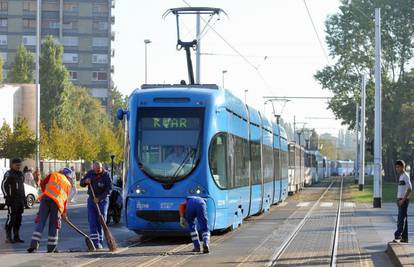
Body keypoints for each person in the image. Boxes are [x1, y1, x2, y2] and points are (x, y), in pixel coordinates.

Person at [27, 168, 72, 253]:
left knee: (41, 222)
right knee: (54, 225)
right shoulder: (67, 184)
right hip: (57, 204)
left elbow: (43, 183)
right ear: (68, 176)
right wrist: (64, 213)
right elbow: (65, 200)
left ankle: (33, 245)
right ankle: (52, 248)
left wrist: (46, 193)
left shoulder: (54, 174)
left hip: (46, 200)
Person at [80, 162, 112, 249]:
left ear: (101, 168)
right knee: (92, 220)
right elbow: (81, 183)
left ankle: (100, 241)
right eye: (95, 170)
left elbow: (109, 190)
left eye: (99, 170)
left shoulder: (106, 175)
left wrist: (100, 198)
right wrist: (85, 181)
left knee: (101, 221)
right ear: (93, 168)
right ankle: (95, 243)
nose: (97, 171)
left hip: (103, 201)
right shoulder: (90, 173)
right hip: (92, 200)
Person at [1, 158, 25, 243]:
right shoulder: (9, 174)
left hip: (20, 200)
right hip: (12, 200)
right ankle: (8, 237)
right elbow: (3, 185)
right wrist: (7, 197)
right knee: (11, 218)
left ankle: (16, 236)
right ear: (12, 165)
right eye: (17, 165)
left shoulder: (21, 174)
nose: (19, 166)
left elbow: (22, 187)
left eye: (20, 165)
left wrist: (24, 199)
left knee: (18, 219)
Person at [393, 160, 412, 243]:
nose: (396, 169)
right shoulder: (401, 176)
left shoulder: (405, 176)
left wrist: (403, 200)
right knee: (403, 218)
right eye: (396, 167)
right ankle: (404, 238)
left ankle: (398, 235)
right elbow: (402, 189)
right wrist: (397, 199)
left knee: (401, 218)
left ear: (402, 167)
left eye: (398, 167)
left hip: (403, 200)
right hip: (400, 200)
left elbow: (409, 189)